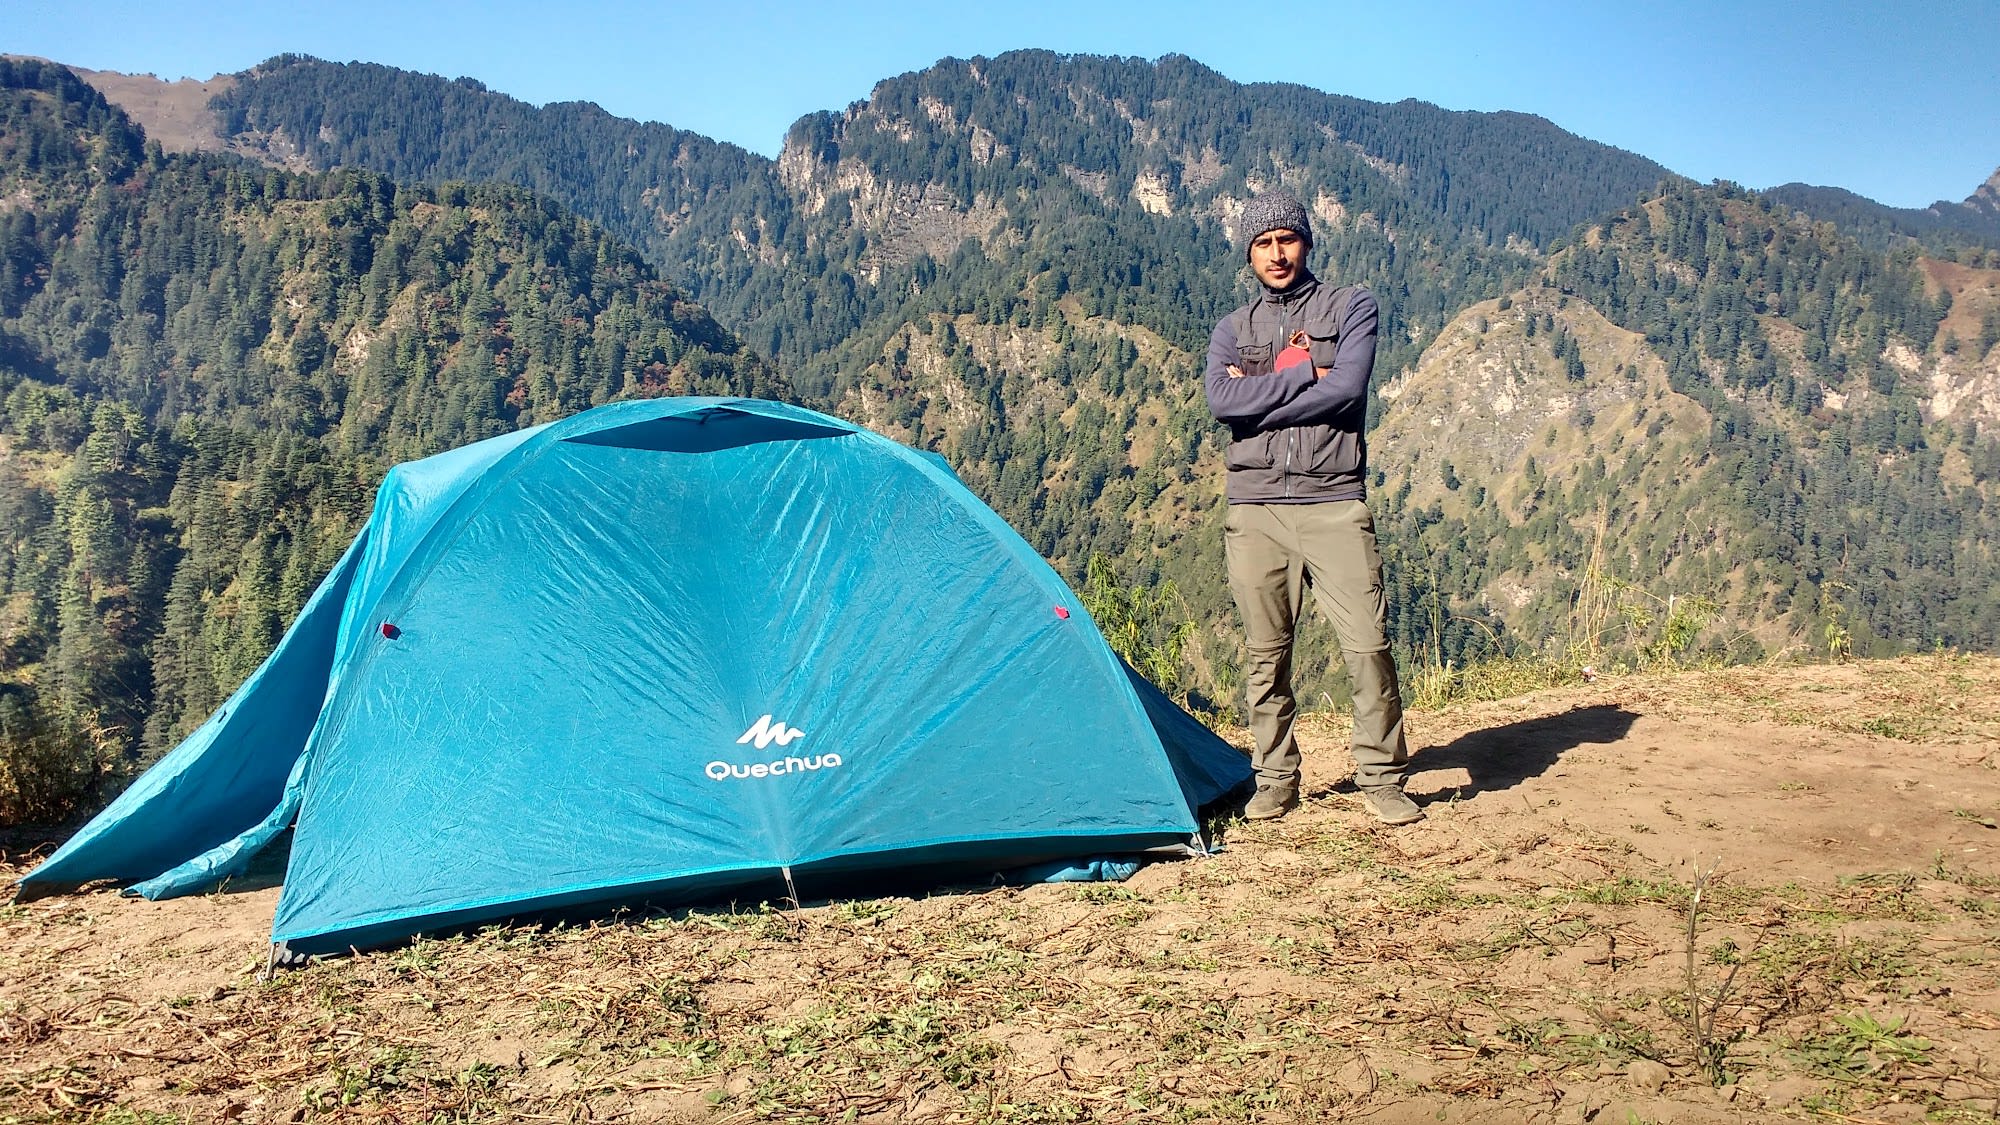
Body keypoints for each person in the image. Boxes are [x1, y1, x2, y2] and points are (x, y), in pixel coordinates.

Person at [1202, 190, 1422, 825]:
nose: (1277, 253)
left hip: (1334, 501)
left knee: (1367, 644)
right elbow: (1222, 404)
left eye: (1287, 239)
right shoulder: (1232, 329)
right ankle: (1275, 778)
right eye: (1263, 243)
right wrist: (1304, 377)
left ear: (1306, 242)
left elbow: (1347, 390)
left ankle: (1380, 777)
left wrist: (1261, 398)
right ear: (1248, 253)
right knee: (1264, 652)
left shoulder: (1351, 306)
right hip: (1255, 507)